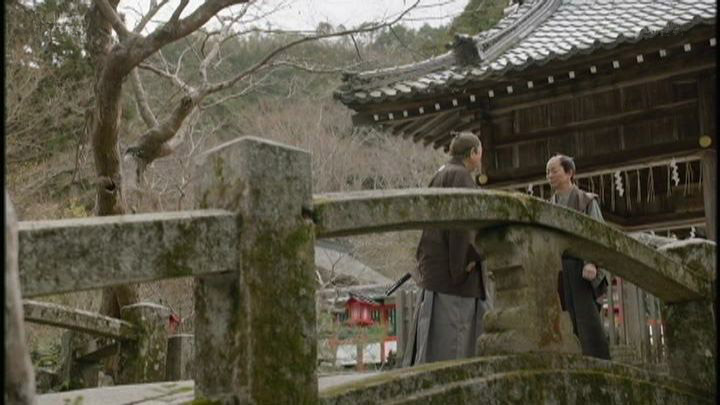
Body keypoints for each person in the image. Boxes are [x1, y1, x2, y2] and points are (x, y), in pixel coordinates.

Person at [402, 131, 491, 366]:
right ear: (473, 152)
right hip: (454, 277)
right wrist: (466, 262)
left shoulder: (441, 173)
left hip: (435, 270)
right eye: (480, 152)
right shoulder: (460, 176)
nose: (480, 158)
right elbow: (462, 227)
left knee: (436, 345)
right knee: (455, 344)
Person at [546, 154, 610, 360]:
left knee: (587, 321)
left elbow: (598, 234)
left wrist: (592, 262)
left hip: (582, 268)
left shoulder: (586, 201)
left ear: (569, 173)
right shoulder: (549, 205)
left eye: (554, 171)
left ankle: (598, 362)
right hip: (559, 269)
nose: (549, 176)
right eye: (547, 172)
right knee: (563, 321)